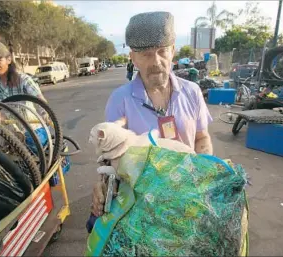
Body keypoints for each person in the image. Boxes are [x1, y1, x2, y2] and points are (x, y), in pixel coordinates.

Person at [90, 11, 213, 218]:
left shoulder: (192, 92)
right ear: (133, 58)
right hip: (143, 208)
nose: (156, 61)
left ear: (172, 51)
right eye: (146, 54)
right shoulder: (120, 99)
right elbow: (109, 153)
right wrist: (102, 185)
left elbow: (202, 137)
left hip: (187, 198)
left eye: (162, 51)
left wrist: (205, 175)